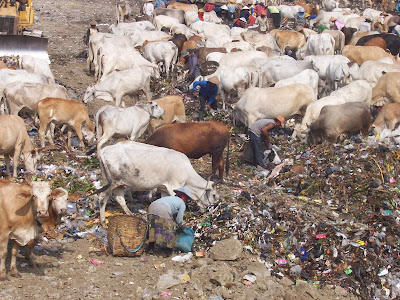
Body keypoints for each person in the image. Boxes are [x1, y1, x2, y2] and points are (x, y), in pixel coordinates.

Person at [147, 186, 193, 257]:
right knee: (168, 230)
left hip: (151, 207)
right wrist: (181, 225)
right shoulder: (182, 204)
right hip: (162, 208)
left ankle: (150, 248)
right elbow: (179, 220)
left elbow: (173, 214)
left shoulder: (171, 198)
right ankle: (168, 251)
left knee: (152, 228)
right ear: (185, 197)